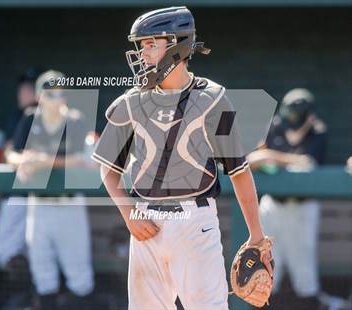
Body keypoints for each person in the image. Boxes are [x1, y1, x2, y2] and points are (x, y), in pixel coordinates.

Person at [91, 7, 273, 310]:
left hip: (196, 222)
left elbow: (239, 171)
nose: (143, 54)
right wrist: (128, 213)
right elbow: (108, 170)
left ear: (177, 46)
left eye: (151, 44)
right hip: (146, 222)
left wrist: (256, 235)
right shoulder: (130, 101)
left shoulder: (213, 99)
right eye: (141, 46)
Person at [7, 70, 94, 309]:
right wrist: (22, 162)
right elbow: (12, 153)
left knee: (79, 275)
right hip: (39, 205)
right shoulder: (29, 118)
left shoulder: (75, 120)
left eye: (62, 92)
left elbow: (77, 159)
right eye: (52, 93)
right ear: (40, 96)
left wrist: (40, 160)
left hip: (69, 205)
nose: (58, 97)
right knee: (42, 272)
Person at [248, 88, 327, 309]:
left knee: (304, 266)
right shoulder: (275, 125)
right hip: (273, 204)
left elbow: (307, 163)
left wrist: (273, 157)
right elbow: (254, 159)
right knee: (269, 264)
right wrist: (281, 158)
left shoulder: (317, 130)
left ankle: (310, 302)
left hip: (302, 206)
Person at [0, 68, 42, 309]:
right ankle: (20, 299)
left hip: (43, 198)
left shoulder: (51, 116)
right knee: (7, 252)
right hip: (17, 193)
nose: (24, 92)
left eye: (30, 87)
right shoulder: (17, 117)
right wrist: (20, 159)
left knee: (40, 256)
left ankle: (34, 301)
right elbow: (8, 151)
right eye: (23, 87)